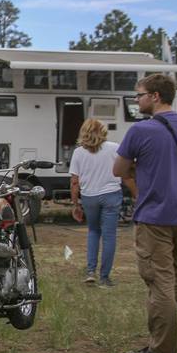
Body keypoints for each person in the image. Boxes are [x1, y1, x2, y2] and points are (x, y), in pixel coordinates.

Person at [114, 74, 177, 353]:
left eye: (140, 95)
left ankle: (161, 352)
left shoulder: (141, 131)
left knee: (160, 282)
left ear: (156, 96)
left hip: (153, 216)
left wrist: (140, 164)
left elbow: (118, 169)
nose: (137, 100)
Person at [70, 119, 133, 288]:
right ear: (103, 132)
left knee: (93, 231)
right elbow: (126, 170)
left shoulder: (78, 153)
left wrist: (75, 204)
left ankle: (91, 272)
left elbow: (75, 182)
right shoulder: (114, 148)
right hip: (111, 194)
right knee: (109, 236)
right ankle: (105, 277)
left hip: (89, 196)